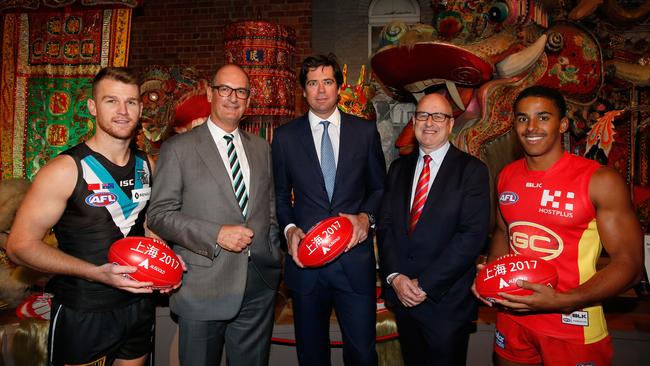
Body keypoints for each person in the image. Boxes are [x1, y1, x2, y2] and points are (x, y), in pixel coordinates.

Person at [476, 86, 643, 365]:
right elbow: (504, 232)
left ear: (563, 124)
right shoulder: (507, 175)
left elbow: (631, 265)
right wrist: (491, 279)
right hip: (513, 317)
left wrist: (563, 300)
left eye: (543, 117)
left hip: (572, 323)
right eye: (522, 118)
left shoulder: (600, 181)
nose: (531, 127)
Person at [6, 67, 158, 366]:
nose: (123, 111)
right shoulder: (64, 170)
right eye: (111, 101)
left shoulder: (149, 165)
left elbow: (149, 228)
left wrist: (163, 264)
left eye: (131, 102)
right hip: (85, 308)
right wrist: (96, 273)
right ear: (92, 107)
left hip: (139, 304)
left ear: (141, 108)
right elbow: (20, 246)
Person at [147, 64, 282, 366]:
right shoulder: (178, 148)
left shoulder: (261, 148)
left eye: (241, 91)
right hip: (203, 285)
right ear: (210, 92)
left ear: (249, 99)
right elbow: (159, 214)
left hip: (258, 284)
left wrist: (272, 251)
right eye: (225, 89)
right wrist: (216, 234)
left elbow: (269, 208)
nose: (233, 97)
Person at [272, 54, 385, 366]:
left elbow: (379, 188)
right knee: (311, 356)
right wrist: (289, 229)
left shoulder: (364, 132)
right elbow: (280, 195)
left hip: (354, 261)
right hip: (306, 264)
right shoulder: (285, 137)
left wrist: (366, 218)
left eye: (327, 82)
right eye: (312, 83)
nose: (320, 90)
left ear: (339, 87)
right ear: (303, 91)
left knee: (362, 354)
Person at [376, 93, 490, 365]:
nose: (430, 122)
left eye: (438, 116)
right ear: (414, 122)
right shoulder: (398, 168)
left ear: (451, 124)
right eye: (423, 115)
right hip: (403, 299)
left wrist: (425, 284)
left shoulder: (472, 170)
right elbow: (387, 226)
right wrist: (394, 277)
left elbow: (471, 236)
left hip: (446, 303)